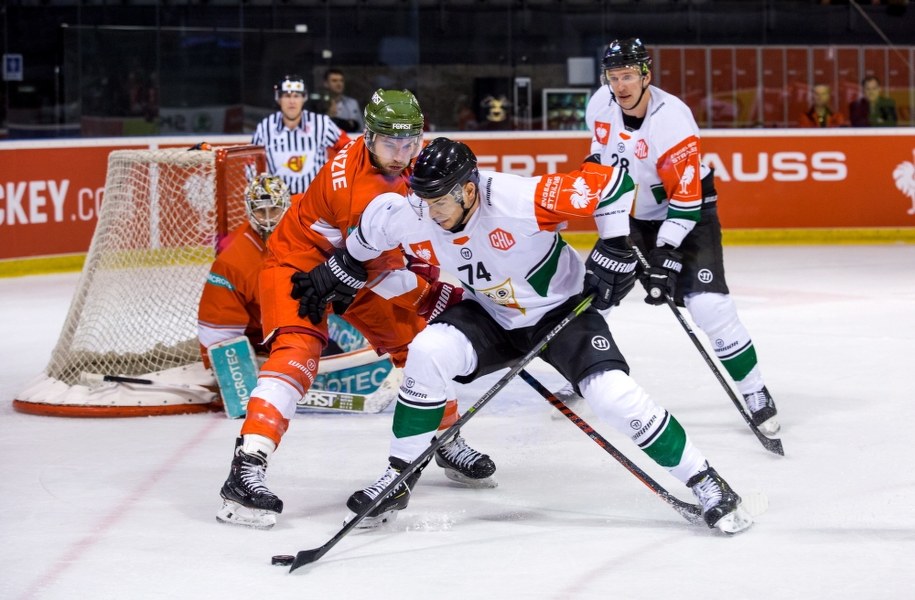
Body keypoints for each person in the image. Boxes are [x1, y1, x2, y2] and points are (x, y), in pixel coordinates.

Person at [299, 137, 753, 533]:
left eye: (440, 202)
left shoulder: (518, 198)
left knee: (614, 397)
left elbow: (612, 180)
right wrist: (337, 270)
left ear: (470, 190)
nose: (431, 214)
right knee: (428, 350)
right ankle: (398, 476)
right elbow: (371, 231)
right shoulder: (419, 208)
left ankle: (704, 479)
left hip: (561, 312)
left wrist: (614, 244)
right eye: (424, 201)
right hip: (491, 314)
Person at [217, 90, 497, 530]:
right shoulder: (362, 189)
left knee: (421, 344)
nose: (402, 155)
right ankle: (246, 467)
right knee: (297, 352)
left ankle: (445, 437)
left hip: (354, 266)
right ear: (368, 137)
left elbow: (378, 260)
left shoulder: (405, 161)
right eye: (391, 145)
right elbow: (383, 272)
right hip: (301, 266)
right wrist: (440, 298)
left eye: (410, 143)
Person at [584, 38, 779, 436]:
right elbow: (600, 167)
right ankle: (580, 370)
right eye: (613, 76)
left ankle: (755, 390)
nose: (620, 86)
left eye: (628, 76)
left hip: (688, 213)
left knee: (709, 307)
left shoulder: (672, 119)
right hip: (632, 213)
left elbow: (686, 200)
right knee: (594, 293)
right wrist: (613, 235)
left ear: (646, 75)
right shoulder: (599, 105)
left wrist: (664, 252)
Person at [198, 174, 291, 365]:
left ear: (286, 205)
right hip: (264, 344)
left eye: (273, 209)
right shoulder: (234, 261)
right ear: (249, 211)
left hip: (304, 327)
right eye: (260, 211)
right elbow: (218, 327)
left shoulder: (306, 227)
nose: (267, 220)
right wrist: (229, 371)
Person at [251, 74, 351, 195]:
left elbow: (349, 148)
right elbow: (251, 164)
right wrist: (260, 189)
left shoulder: (321, 123)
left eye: (296, 96)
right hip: (278, 203)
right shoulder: (265, 128)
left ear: (304, 98)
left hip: (314, 201)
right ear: (279, 98)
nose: (292, 101)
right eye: (287, 96)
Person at [315, 68, 364, 133]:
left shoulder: (352, 103)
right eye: (334, 81)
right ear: (326, 83)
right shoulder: (319, 105)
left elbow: (360, 127)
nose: (339, 84)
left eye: (341, 80)